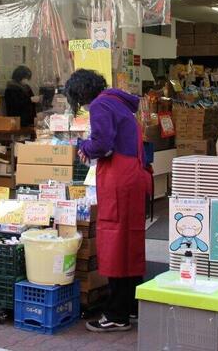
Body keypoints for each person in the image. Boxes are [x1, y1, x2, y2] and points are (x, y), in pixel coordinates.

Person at [64, 69, 152, 333]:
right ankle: (131, 305)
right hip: (133, 176)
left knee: (115, 242)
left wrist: (85, 148)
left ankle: (116, 313)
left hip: (119, 180)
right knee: (130, 241)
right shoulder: (117, 101)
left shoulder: (100, 105)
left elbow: (102, 143)